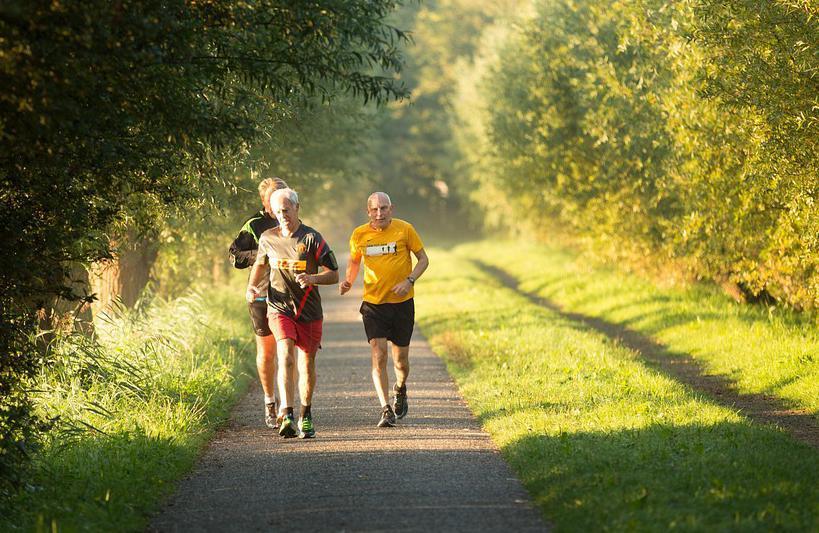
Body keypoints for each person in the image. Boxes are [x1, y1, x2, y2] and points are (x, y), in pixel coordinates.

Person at [246, 188, 339, 439]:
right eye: (278, 211)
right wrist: (252, 287)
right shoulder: (267, 238)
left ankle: (305, 414)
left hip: (308, 310)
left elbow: (334, 274)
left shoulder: (312, 238)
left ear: (297, 208)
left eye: (286, 210)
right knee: (285, 353)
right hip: (279, 307)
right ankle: (286, 414)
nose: (283, 215)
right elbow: (260, 265)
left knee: (306, 364)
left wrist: (312, 278)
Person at [339, 192, 429, 427]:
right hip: (373, 304)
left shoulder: (404, 229)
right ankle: (385, 408)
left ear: (392, 209)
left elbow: (423, 260)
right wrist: (348, 281)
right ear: (368, 211)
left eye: (384, 208)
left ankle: (400, 388)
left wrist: (409, 281)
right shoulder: (359, 234)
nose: (380, 213)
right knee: (379, 355)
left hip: (402, 304)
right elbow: (355, 261)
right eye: (375, 209)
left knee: (401, 362)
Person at [229, 177, 288, 430]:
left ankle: (288, 407)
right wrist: (262, 255)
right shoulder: (254, 225)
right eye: (273, 196)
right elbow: (235, 256)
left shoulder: (291, 219)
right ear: (264, 200)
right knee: (268, 352)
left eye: (282, 195)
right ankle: (269, 402)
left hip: (288, 294)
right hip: (262, 295)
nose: (278, 202)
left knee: (287, 351)